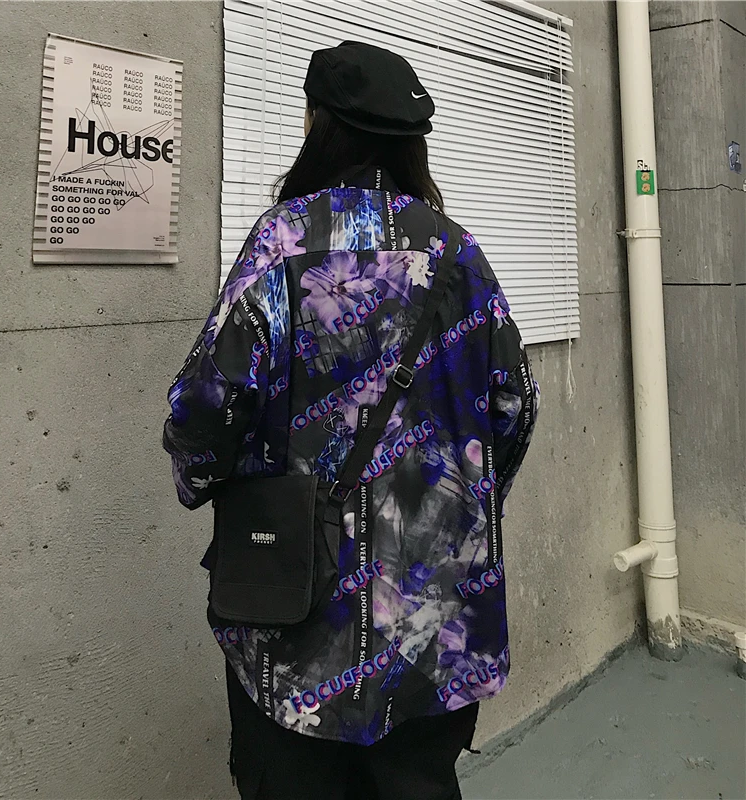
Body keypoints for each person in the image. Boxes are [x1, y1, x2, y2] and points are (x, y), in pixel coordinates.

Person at [163, 41, 539, 800]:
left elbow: (205, 406)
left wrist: (203, 481)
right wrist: (454, 508)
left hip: (297, 628)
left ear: (318, 127)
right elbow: (513, 409)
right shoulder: (459, 254)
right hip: (435, 633)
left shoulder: (285, 243)